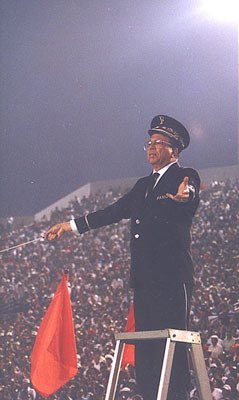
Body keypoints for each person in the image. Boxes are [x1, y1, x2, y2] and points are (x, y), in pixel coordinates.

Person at [45, 115, 200, 400]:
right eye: (149, 143)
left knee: (171, 345)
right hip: (144, 281)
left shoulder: (184, 176)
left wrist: (184, 196)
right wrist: (70, 226)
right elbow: (113, 212)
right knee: (147, 349)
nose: (151, 148)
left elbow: (189, 193)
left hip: (171, 278)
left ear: (174, 151)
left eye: (159, 143)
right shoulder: (143, 185)